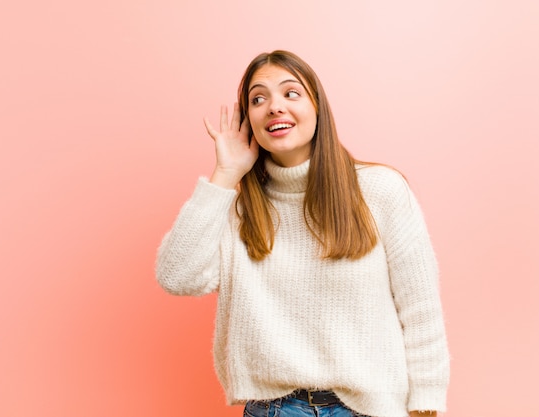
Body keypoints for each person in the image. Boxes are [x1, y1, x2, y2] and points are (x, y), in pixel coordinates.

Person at [156, 50, 450, 417]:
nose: (274, 107)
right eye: (258, 99)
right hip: (275, 410)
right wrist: (225, 175)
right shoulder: (236, 208)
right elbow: (176, 276)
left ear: (317, 108)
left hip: (369, 409)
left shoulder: (380, 190)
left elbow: (421, 309)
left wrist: (426, 406)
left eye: (290, 93)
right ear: (249, 122)